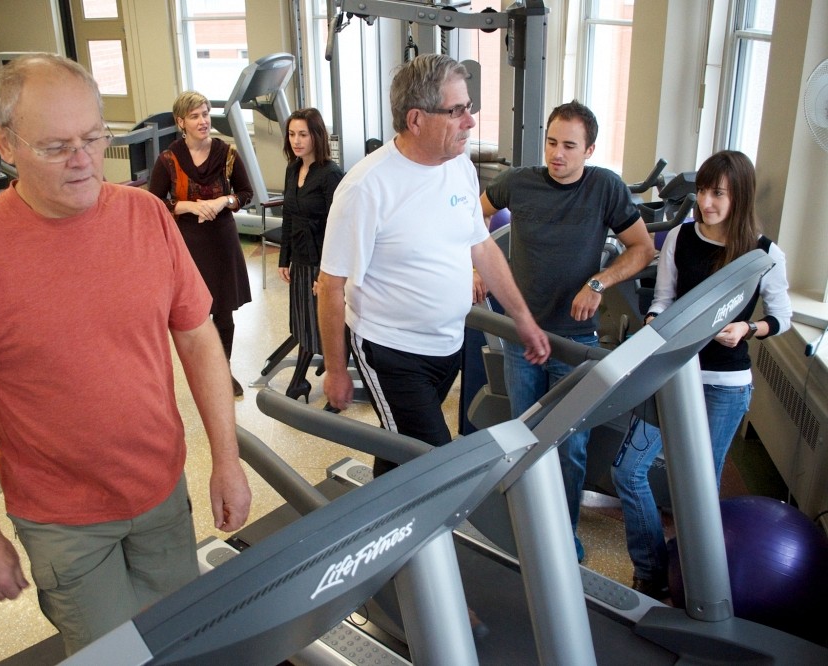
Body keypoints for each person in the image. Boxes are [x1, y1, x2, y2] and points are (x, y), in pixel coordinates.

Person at [0, 54, 251, 656]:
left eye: (93, 138)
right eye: (55, 146)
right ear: (6, 144)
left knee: (180, 643)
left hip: (159, 493)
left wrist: (226, 459)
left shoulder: (146, 216)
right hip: (63, 520)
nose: (82, 160)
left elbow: (198, 337)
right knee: (114, 655)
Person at [318, 54, 550, 477]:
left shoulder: (458, 165)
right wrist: (336, 370)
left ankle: (382, 527)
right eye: (457, 110)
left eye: (469, 108)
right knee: (434, 466)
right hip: (390, 351)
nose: (470, 122)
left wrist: (523, 320)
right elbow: (330, 285)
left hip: (446, 344)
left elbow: (482, 248)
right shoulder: (366, 188)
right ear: (416, 119)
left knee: (401, 449)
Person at [480, 100, 655, 562]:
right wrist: (473, 267)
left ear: (589, 150)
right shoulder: (518, 182)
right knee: (525, 435)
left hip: (574, 341)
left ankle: (562, 536)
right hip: (522, 336)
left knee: (570, 448)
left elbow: (643, 248)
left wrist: (599, 282)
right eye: (552, 143)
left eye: (569, 146)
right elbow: (471, 216)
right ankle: (529, 529)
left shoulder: (605, 188)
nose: (557, 154)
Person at [611, 150, 792, 599]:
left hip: (725, 387)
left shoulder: (765, 253)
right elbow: (664, 299)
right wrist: (654, 322)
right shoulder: (680, 236)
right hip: (673, 375)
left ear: (740, 197)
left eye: (718, 194)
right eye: (703, 192)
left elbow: (781, 317)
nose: (706, 202)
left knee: (697, 493)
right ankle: (652, 571)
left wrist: (748, 328)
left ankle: (691, 584)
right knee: (628, 471)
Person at [148, 91, 253, 397]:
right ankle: (201, 374)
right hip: (188, 243)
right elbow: (155, 202)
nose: (203, 120)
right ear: (181, 121)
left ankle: (224, 372)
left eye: (206, 114)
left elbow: (245, 193)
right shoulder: (169, 159)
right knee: (193, 314)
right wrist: (189, 206)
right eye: (195, 116)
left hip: (222, 239)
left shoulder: (227, 153)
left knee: (223, 313)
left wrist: (223, 200)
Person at [277, 108, 343, 404]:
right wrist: (283, 258)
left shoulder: (331, 175)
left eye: (303, 134)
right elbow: (288, 216)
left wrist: (327, 271)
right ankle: (301, 380)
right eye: (292, 134)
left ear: (316, 136)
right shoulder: (292, 169)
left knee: (325, 322)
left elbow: (338, 226)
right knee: (304, 320)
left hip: (324, 261)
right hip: (301, 259)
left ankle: (311, 381)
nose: (296, 140)